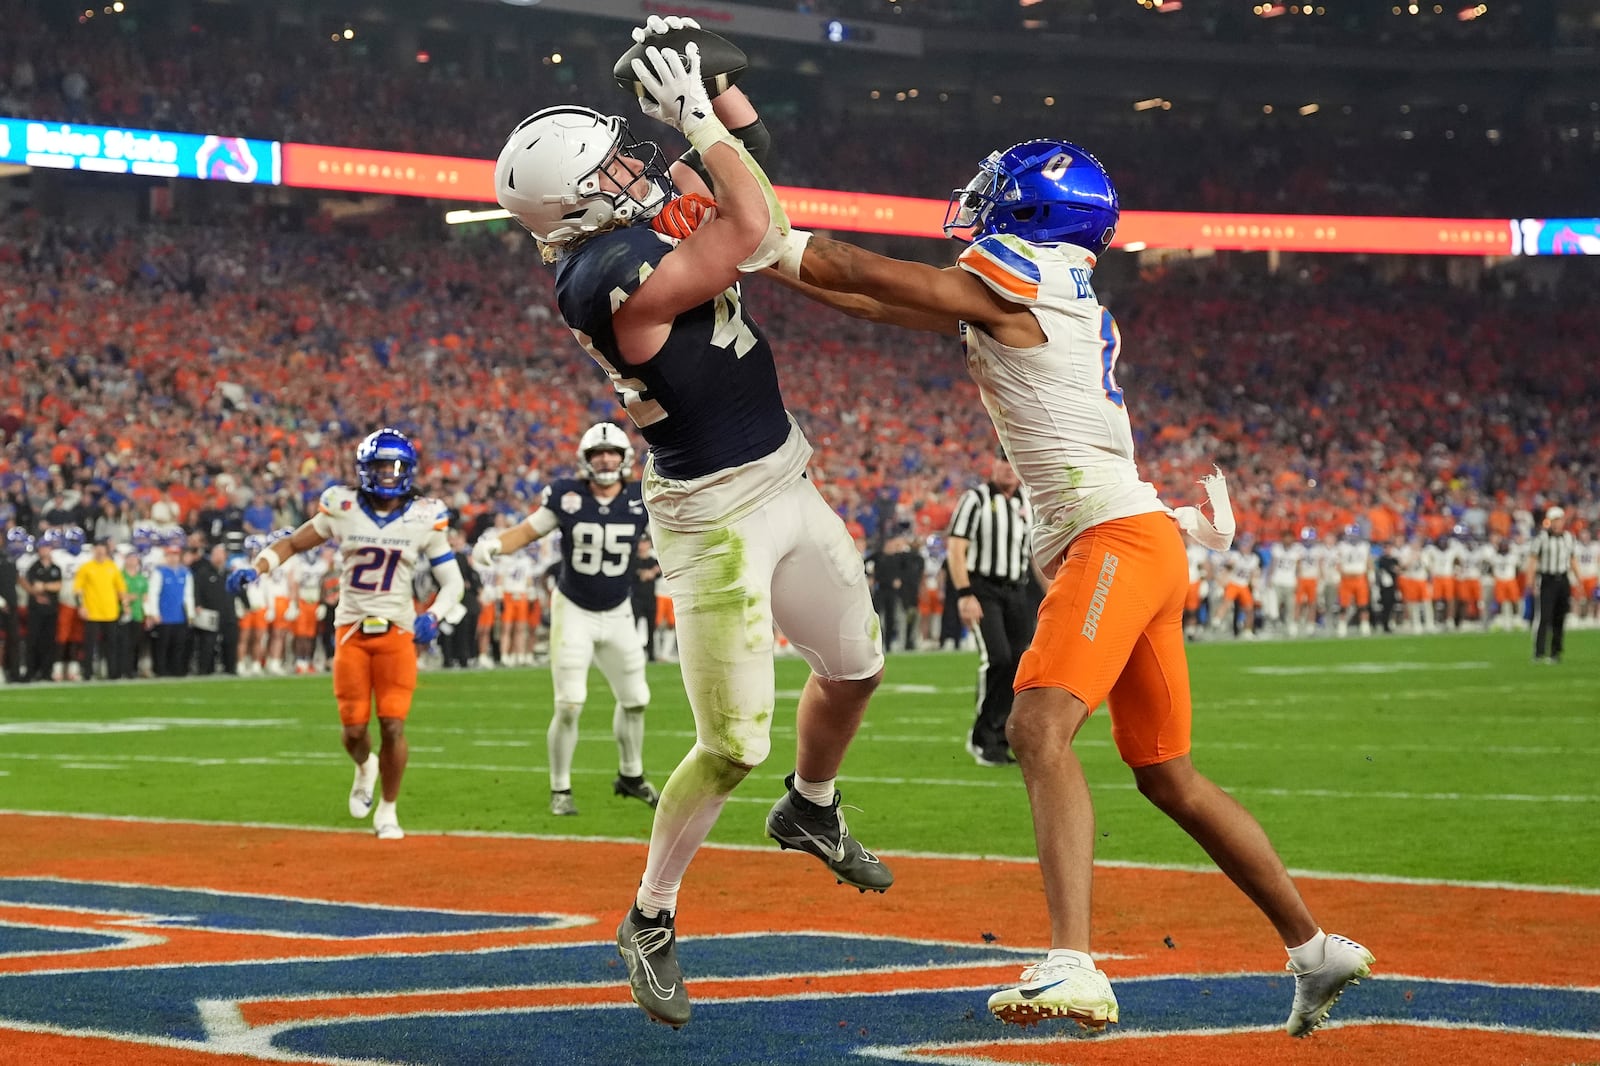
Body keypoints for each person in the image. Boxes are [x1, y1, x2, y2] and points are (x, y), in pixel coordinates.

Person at [760, 137, 1372, 1036]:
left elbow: (860, 265)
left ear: (1038, 214)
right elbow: (870, 299)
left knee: (1037, 726)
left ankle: (1074, 964)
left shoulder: (1025, 271)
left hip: (1112, 538)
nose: (978, 204)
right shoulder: (1052, 288)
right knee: (1169, 778)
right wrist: (759, 263)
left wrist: (755, 234)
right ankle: (1314, 949)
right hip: (1142, 539)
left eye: (996, 194)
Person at [493, 17, 890, 1029]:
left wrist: (725, 99)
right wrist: (703, 120)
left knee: (855, 668)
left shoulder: (620, 232)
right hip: (714, 515)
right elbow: (749, 229)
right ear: (572, 206)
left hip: (784, 475)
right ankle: (650, 915)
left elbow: (760, 190)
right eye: (613, 165)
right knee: (730, 742)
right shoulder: (596, 280)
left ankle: (810, 806)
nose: (635, 166)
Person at [228, 428, 466, 840]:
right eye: (380, 467)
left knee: (393, 725)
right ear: (363, 470)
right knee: (354, 730)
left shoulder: (425, 516)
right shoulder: (342, 506)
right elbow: (292, 544)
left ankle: (389, 810)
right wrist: (259, 567)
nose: (388, 476)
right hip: (351, 630)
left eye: (395, 467)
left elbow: (453, 582)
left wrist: (435, 615)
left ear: (408, 470)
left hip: (397, 630)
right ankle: (363, 766)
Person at [473, 422, 660, 815]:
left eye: (612, 452)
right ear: (586, 460)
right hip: (574, 608)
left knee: (637, 700)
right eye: (598, 453)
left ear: (625, 459)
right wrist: (494, 545)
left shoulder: (640, 496)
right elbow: (527, 531)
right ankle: (560, 787)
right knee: (570, 703)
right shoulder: (567, 495)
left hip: (619, 609)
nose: (606, 459)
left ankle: (631, 774)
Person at [946, 453, 1035, 765]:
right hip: (984, 588)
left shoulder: (1027, 501)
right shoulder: (976, 499)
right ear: (994, 466)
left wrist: (1054, 592)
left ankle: (997, 736)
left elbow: (1035, 554)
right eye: (1004, 462)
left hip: (1017, 589)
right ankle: (982, 737)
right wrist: (965, 593)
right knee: (997, 657)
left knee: (1017, 663)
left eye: (1014, 462)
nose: (1009, 469)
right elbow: (957, 547)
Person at [1526, 505, 1579, 663]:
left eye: (1560, 520)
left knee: (1560, 617)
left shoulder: (1569, 537)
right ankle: (1539, 652)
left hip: (1563, 579)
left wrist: (1579, 579)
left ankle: (1555, 652)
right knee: (1544, 616)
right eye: (1555, 520)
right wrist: (1530, 581)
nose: (1557, 523)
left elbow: (1572, 559)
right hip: (1547, 579)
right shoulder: (1541, 538)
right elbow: (1533, 560)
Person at [72, 539, 127, 680]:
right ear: (94, 550)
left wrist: (125, 604)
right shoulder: (86, 567)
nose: (100, 551)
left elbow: (120, 587)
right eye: (97, 548)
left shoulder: (112, 567)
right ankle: (88, 673)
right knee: (89, 645)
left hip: (110, 612)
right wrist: (81, 606)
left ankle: (112, 673)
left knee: (111, 645)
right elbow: (78, 589)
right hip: (92, 612)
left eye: (102, 548)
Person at [144, 543, 193, 677]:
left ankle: (176, 670)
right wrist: (154, 612)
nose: (173, 558)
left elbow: (188, 595)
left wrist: (190, 613)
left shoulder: (185, 573)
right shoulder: (160, 572)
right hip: (164, 615)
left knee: (178, 645)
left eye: (176, 555)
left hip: (179, 615)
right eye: (171, 555)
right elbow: (153, 593)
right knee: (162, 645)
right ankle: (160, 670)